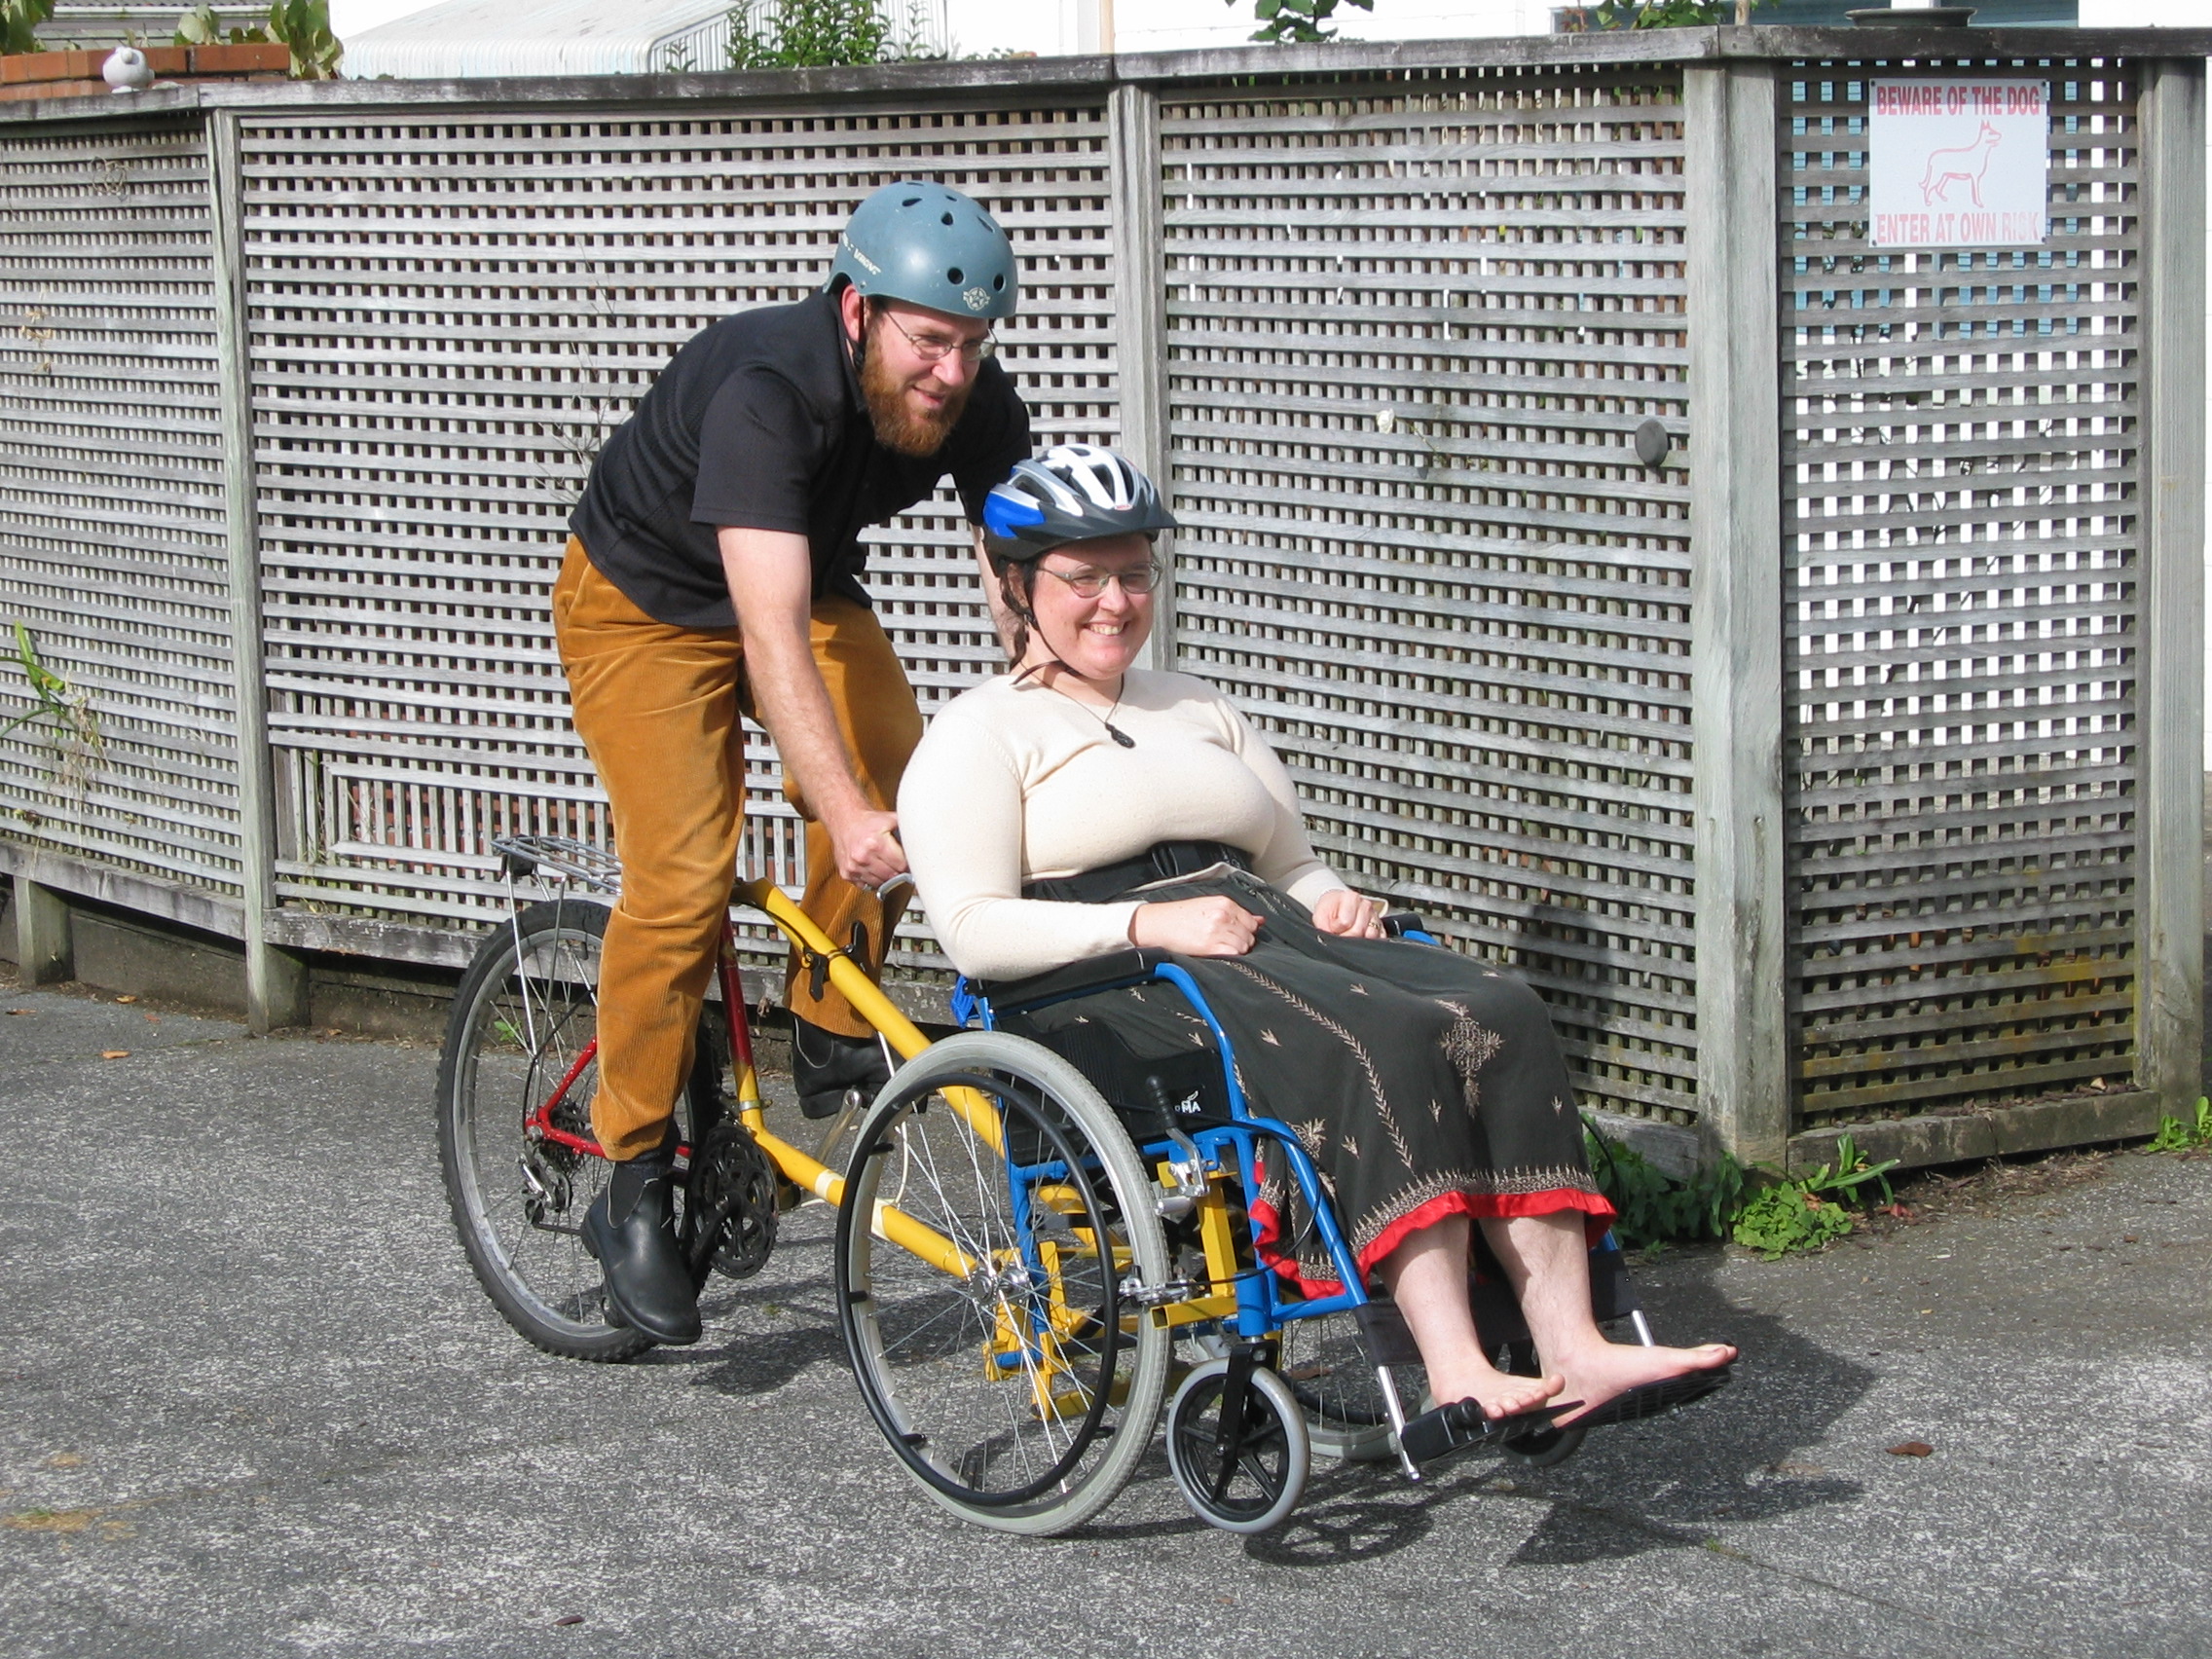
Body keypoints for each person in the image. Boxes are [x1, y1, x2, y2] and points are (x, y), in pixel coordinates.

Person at [896, 445, 1737, 1436]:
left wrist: (1335, 898)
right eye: (1083, 579)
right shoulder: (978, 732)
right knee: (1380, 1041)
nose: (1114, 603)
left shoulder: (1196, 703)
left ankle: (1575, 1343)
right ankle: (1454, 1365)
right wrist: (1145, 920)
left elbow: (1291, 862)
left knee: (1497, 1010)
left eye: (1132, 575)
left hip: (1269, 941)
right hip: (1113, 983)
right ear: (1014, 585)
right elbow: (973, 929)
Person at [555, 181, 1033, 1346]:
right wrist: (844, 819)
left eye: (972, 347)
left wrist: (1049, 722)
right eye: (930, 342)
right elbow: (768, 640)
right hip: (645, 604)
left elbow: (1019, 578)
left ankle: (824, 1015)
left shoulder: (969, 395)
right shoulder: (770, 391)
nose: (951, 373)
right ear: (858, 310)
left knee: (916, 777)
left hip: (793, 576)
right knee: (679, 877)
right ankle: (625, 1179)